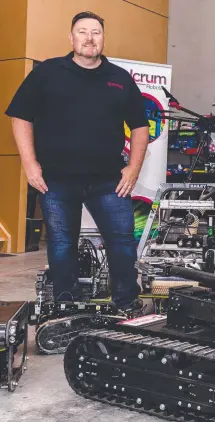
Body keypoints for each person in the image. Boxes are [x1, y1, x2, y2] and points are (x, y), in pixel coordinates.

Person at [5, 11, 150, 310]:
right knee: (61, 245)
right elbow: (19, 116)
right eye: (82, 32)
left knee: (122, 243)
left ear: (103, 39)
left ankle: (126, 302)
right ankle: (66, 305)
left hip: (109, 180)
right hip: (56, 180)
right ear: (71, 38)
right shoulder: (47, 72)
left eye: (95, 32)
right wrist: (30, 164)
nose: (89, 38)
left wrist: (133, 168)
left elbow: (140, 127)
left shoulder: (120, 79)